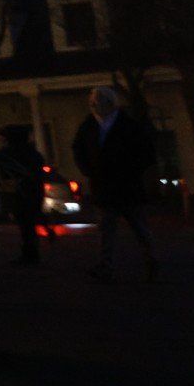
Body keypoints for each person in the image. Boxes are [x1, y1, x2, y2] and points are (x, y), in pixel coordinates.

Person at [71, 86, 159, 283]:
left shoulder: (129, 126)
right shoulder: (89, 125)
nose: (93, 106)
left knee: (139, 228)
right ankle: (106, 266)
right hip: (103, 186)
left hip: (127, 187)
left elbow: (146, 153)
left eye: (97, 102)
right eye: (91, 102)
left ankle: (151, 262)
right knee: (106, 230)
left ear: (110, 103)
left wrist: (129, 171)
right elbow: (78, 148)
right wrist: (88, 169)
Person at [0, 124, 47, 266]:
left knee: (25, 224)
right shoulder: (32, 153)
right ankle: (31, 253)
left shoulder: (9, 152)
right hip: (34, 191)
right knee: (29, 224)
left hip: (20, 192)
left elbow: (3, 170)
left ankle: (30, 255)